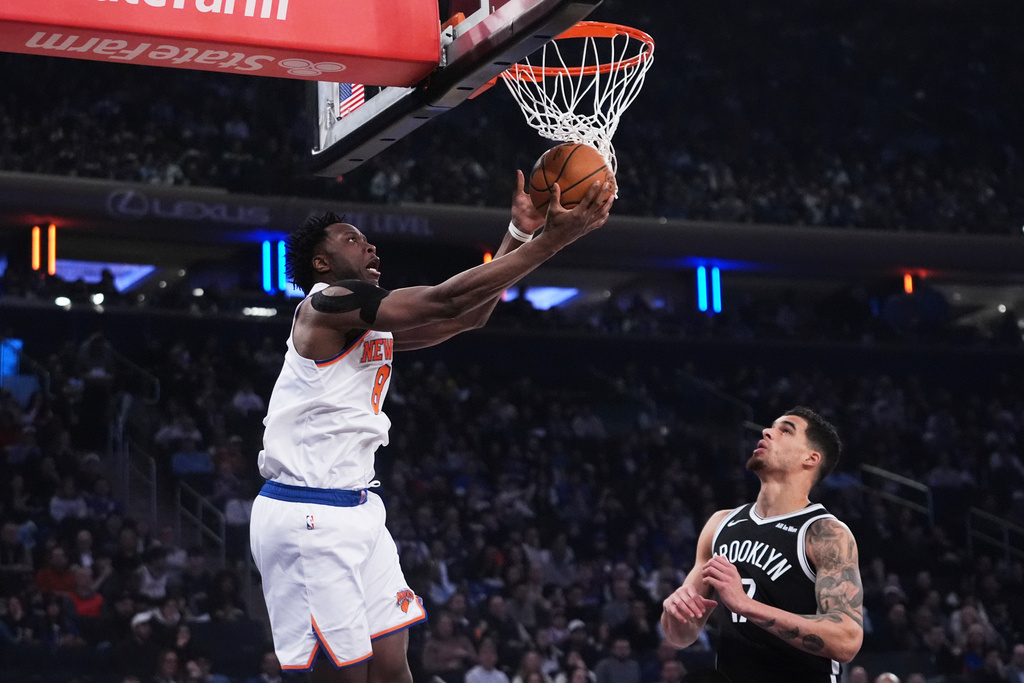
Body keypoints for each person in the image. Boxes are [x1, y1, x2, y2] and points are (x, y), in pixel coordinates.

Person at [249, 173, 613, 683]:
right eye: (352, 238)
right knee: (347, 677)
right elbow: (444, 301)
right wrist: (555, 240)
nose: (369, 243)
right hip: (305, 513)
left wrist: (520, 233)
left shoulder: (364, 322)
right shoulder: (325, 304)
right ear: (322, 263)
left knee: (395, 668)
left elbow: (467, 318)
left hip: (358, 507)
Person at [660, 407, 864, 683]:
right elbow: (681, 637)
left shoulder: (824, 533)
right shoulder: (720, 524)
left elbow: (846, 640)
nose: (767, 432)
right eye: (771, 427)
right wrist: (675, 614)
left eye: (785, 430)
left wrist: (747, 605)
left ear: (811, 458)